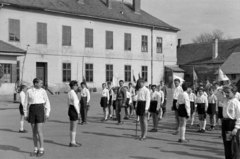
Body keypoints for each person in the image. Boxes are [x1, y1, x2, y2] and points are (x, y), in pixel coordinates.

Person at [23, 78, 51, 157]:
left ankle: (41, 149)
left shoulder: (43, 91)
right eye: (40, 83)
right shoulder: (29, 91)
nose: (42, 84)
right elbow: (25, 103)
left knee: (39, 130)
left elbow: (47, 102)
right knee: (34, 131)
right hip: (32, 109)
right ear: (35, 83)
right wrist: (25, 114)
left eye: (42, 83)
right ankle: (35, 149)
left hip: (40, 109)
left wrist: (47, 113)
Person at [222, 85, 240, 159]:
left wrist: (236, 128)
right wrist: (223, 88)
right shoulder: (225, 100)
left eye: (228, 92)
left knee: (234, 145)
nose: (226, 94)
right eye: (225, 92)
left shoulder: (236, 103)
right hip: (225, 123)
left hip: (232, 124)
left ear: (233, 92)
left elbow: (239, 117)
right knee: (227, 144)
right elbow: (217, 94)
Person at [68, 80, 81, 147]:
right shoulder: (73, 94)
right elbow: (76, 104)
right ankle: (73, 142)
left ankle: (72, 141)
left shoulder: (70, 92)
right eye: (76, 85)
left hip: (70, 108)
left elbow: (68, 102)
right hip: (74, 109)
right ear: (73, 86)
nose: (77, 86)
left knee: (71, 126)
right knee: (74, 127)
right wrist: (78, 113)